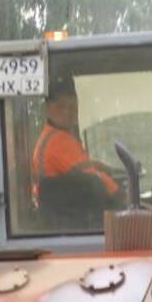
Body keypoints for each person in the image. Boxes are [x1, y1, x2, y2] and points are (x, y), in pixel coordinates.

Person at [30, 75, 119, 206]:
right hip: (73, 217)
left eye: (73, 107)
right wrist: (120, 195)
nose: (67, 112)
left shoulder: (48, 136)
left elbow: (78, 167)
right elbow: (95, 179)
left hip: (61, 214)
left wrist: (105, 168)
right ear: (47, 109)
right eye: (60, 107)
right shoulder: (59, 141)